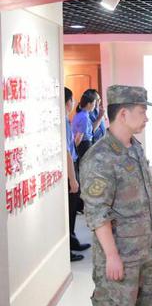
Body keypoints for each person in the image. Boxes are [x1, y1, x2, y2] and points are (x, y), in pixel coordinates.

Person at [80, 85, 152, 306]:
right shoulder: (99, 157)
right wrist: (112, 255)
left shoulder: (134, 147)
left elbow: (144, 194)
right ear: (124, 114)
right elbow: (97, 212)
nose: (146, 117)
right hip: (121, 256)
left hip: (145, 251)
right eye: (142, 111)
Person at [64, 87, 90, 261]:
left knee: (73, 210)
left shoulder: (67, 119)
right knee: (70, 210)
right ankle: (68, 248)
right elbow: (67, 151)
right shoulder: (63, 121)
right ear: (68, 102)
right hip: (69, 168)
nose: (74, 103)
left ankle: (72, 241)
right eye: (72, 100)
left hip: (71, 165)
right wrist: (73, 179)